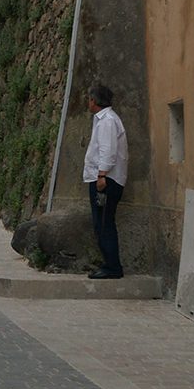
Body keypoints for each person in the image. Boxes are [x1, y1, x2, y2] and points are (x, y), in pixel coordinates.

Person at [83, 83, 128, 280]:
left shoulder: (107, 121)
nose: (88, 102)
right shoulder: (104, 120)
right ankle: (109, 263)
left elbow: (107, 151)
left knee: (103, 222)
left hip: (106, 180)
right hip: (104, 178)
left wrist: (101, 175)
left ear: (94, 100)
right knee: (102, 222)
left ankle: (112, 267)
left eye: (89, 99)